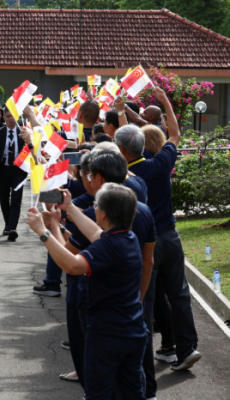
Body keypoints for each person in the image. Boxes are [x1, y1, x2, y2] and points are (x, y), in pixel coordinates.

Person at [26, 183, 148, 400]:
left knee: (97, 394)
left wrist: (43, 232)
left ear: (102, 214)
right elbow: (94, 232)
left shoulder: (107, 247)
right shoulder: (127, 238)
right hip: (133, 331)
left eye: (96, 206)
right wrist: (70, 208)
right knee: (132, 392)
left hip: (106, 334)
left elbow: (72, 265)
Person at [115, 86, 201, 371]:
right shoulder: (161, 164)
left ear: (123, 151)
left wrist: (120, 113)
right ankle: (186, 348)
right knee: (179, 294)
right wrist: (164, 100)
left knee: (145, 298)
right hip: (171, 237)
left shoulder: (124, 173)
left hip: (143, 244)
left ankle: (141, 362)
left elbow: (126, 143)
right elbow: (174, 135)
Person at [0, 108, 31, 241]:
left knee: (16, 198)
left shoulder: (23, 133)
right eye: (8, 116)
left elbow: (32, 148)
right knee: (4, 199)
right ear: (4, 117)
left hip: (18, 171)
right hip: (3, 170)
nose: (11, 119)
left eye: (13, 116)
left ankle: (12, 228)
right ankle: (7, 224)